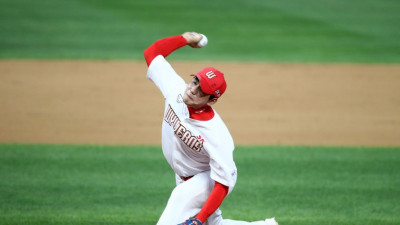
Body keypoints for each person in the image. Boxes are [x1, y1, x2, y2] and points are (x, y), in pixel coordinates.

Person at [143, 31, 278, 225]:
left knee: (178, 204)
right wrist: (185, 39)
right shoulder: (175, 90)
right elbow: (152, 53)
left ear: (211, 100)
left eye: (201, 91)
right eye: (195, 81)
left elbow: (223, 183)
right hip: (184, 176)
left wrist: (199, 218)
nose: (192, 89)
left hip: (209, 180)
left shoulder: (216, 134)